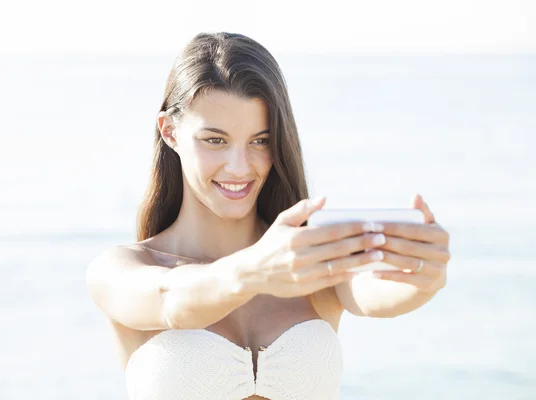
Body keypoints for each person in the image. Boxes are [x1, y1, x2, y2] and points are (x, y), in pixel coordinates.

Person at [86, 32, 451, 400]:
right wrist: (256, 269)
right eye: (215, 140)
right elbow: (172, 301)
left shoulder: (303, 260)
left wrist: (424, 276)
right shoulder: (120, 270)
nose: (239, 166)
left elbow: (374, 294)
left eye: (260, 141)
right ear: (170, 132)